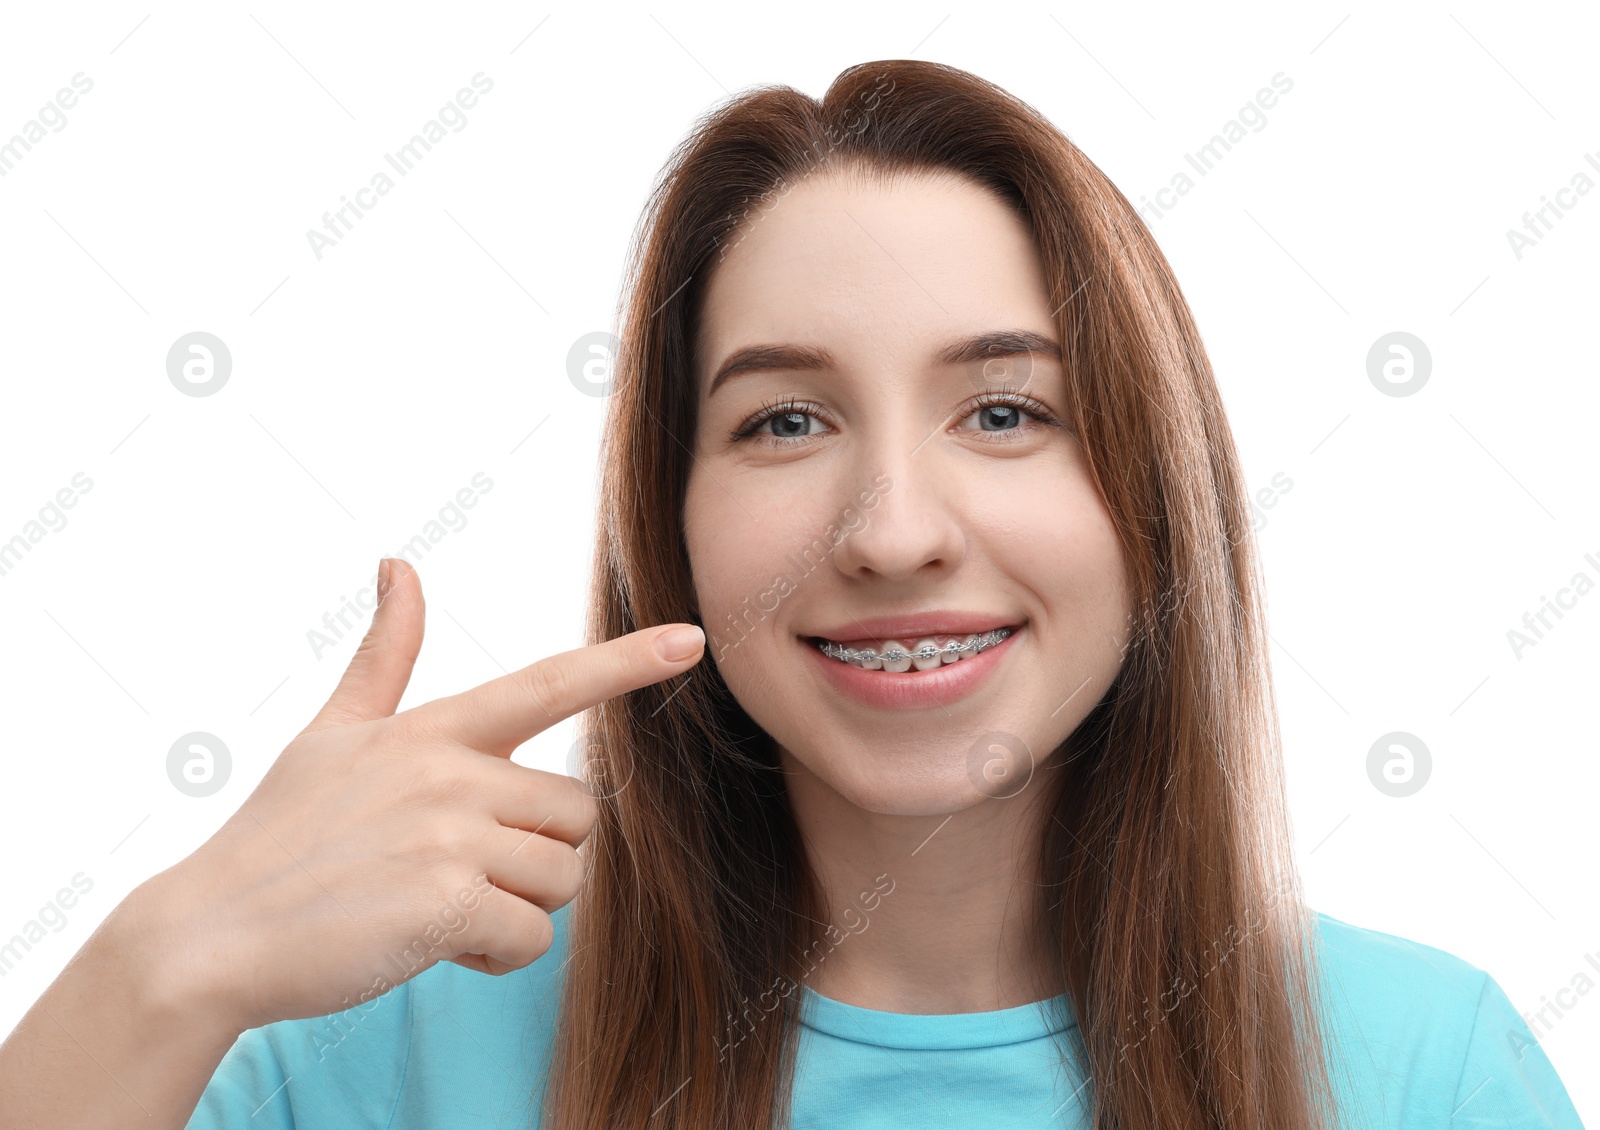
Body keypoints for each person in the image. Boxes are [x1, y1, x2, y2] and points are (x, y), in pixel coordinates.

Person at [0, 59, 1584, 1130]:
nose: (893, 530)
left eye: (1007, 410)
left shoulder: (1422, 1067)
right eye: (785, 420)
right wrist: (170, 951)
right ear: (670, 522)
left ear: (1155, 504)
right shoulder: (388, 1057)